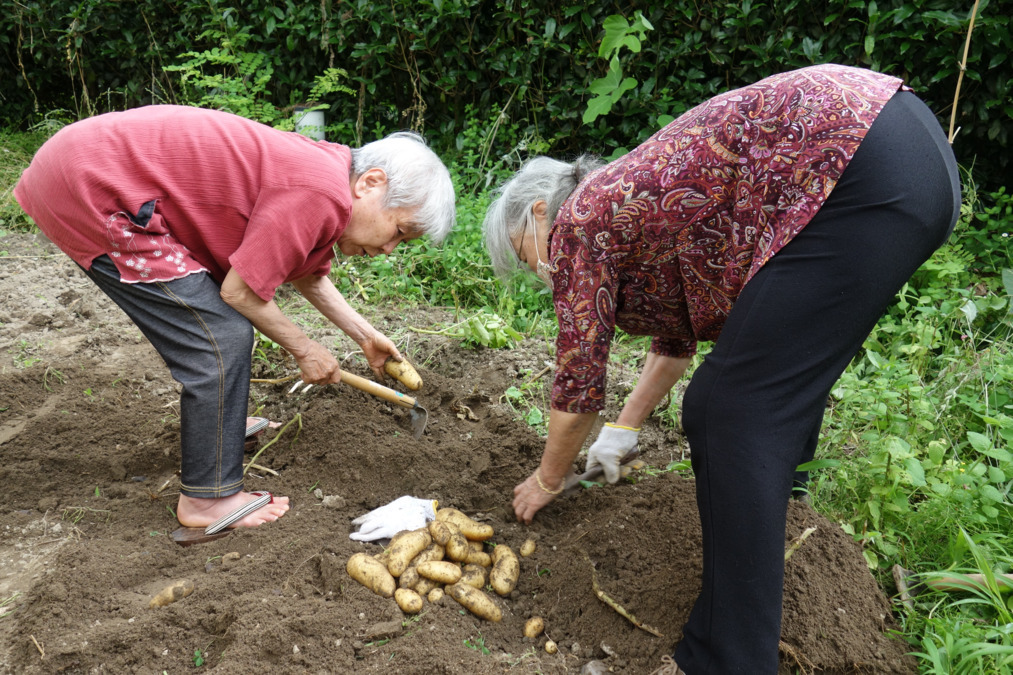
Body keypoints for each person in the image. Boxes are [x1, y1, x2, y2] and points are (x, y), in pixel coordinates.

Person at [482, 64, 959, 674]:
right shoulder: (640, 208)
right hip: (912, 156)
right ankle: (785, 528)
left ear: (540, 215)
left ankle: (726, 661)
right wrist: (624, 430)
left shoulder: (579, 223)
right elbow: (674, 343)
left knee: (730, 408)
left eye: (530, 258)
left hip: (857, 156)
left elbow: (577, 383)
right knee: (772, 388)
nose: (543, 274)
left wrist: (549, 478)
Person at [15, 105, 455, 535]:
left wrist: (366, 336)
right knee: (220, 336)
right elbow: (240, 292)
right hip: (96, 187)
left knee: (219, 324)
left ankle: (219, 428)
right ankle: (208, 500)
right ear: (371, 183)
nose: (390, 249)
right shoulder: (320, 191)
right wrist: (306, 349)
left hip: (89, 167)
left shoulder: (328, 180)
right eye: (399, 231)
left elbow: (305, 271)